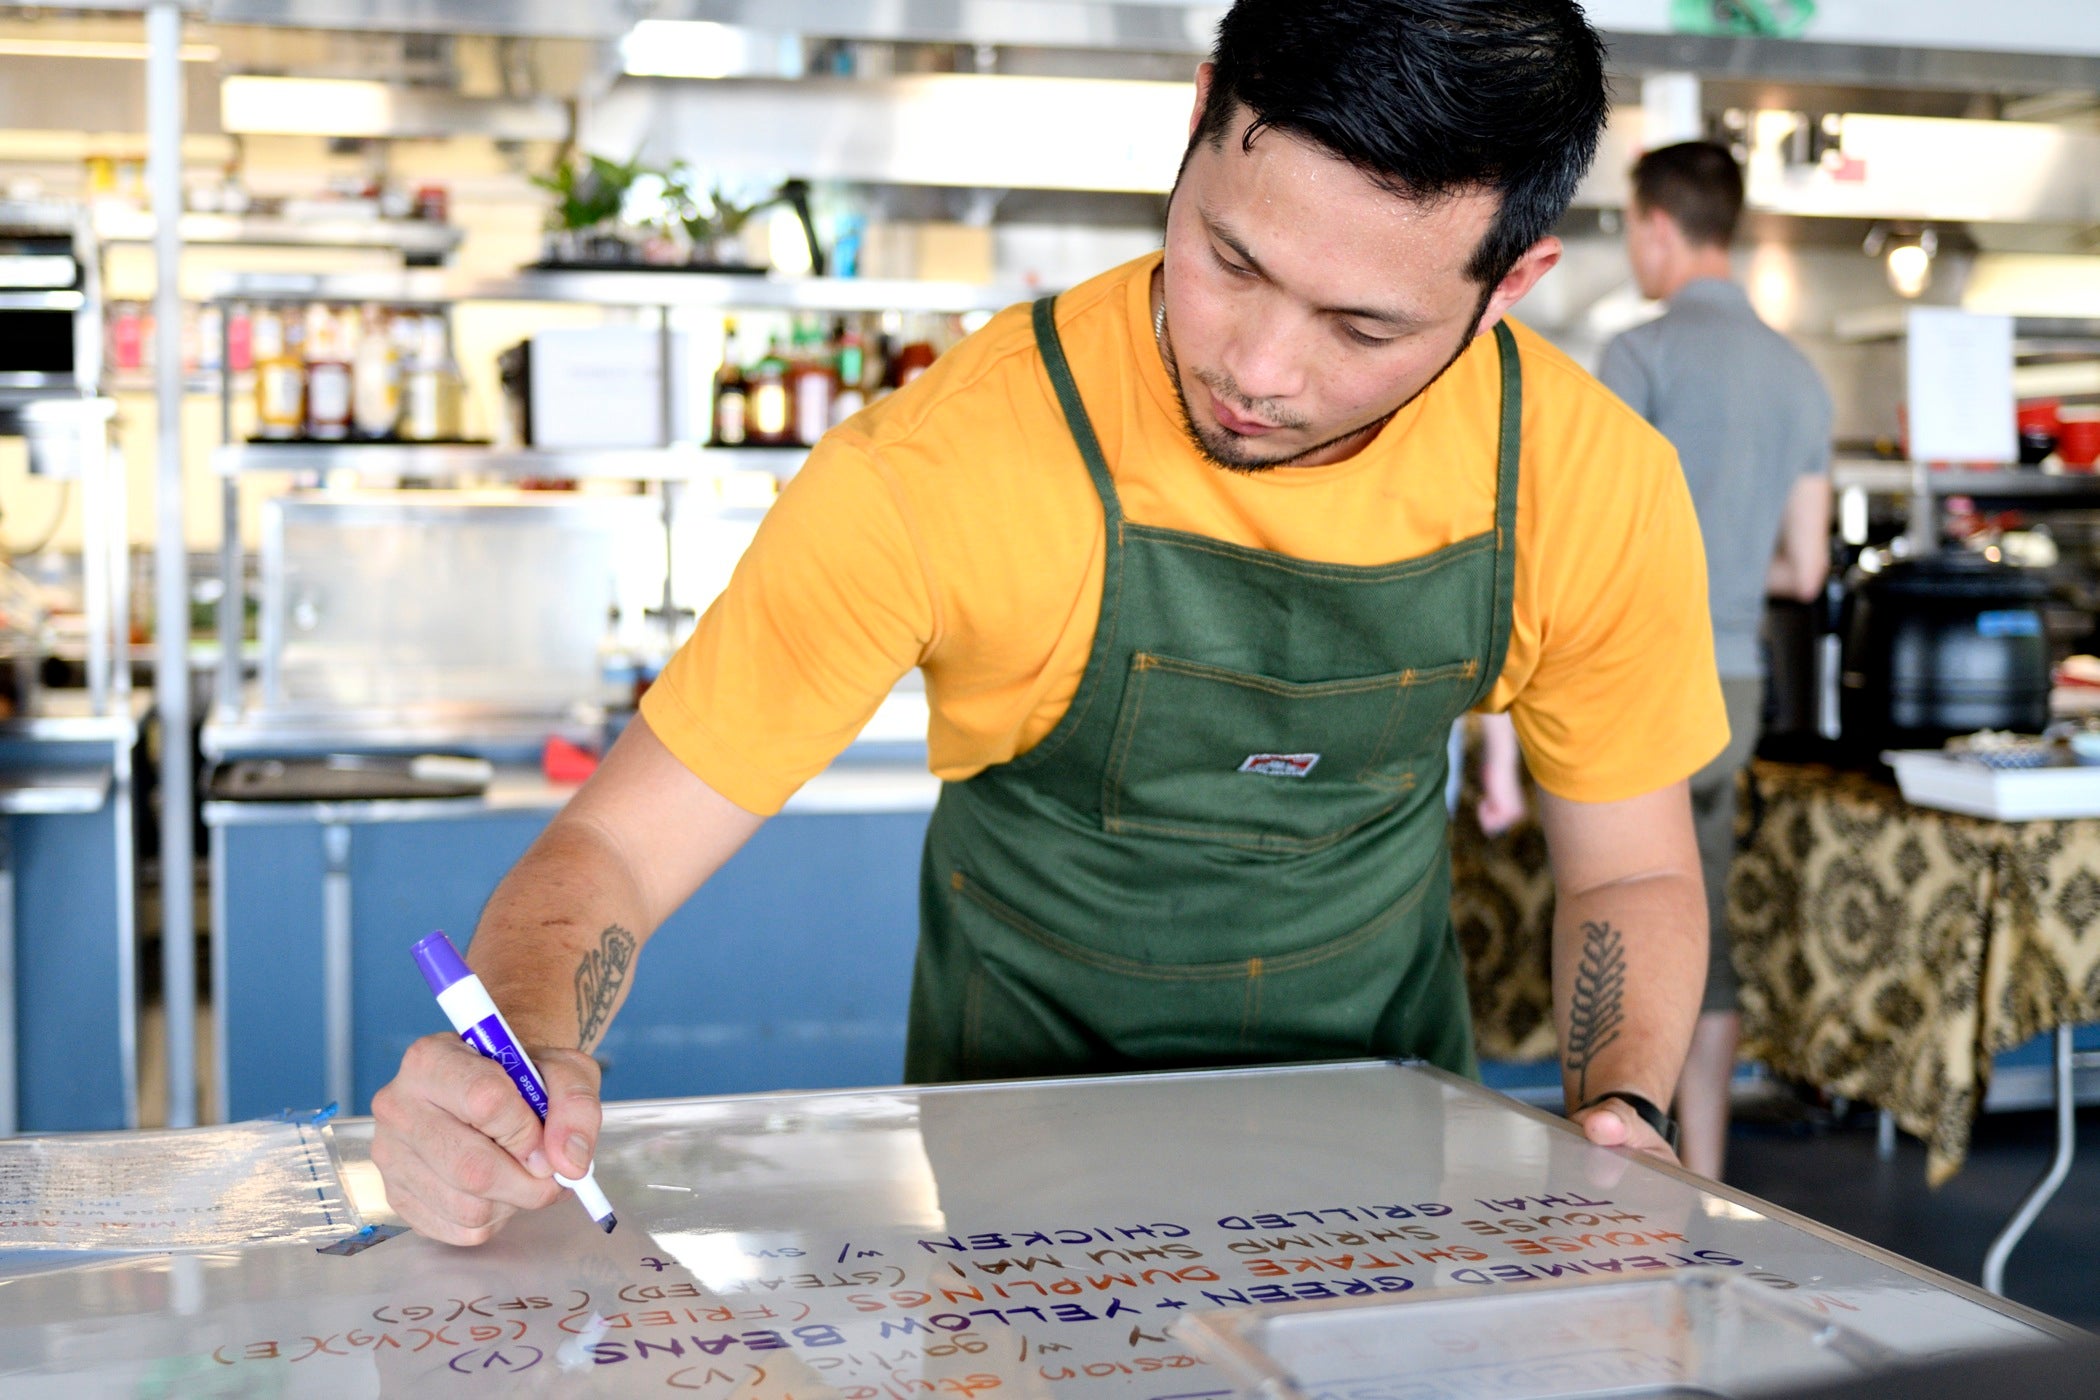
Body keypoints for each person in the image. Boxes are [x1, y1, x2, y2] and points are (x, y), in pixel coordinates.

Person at [372, 0, 1730, 1246]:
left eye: (1361, 327)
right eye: (1229, 258)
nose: (1258, 367)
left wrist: (1627, 1113)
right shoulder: (944, 468)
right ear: (1200, 112)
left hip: (1383, 1191)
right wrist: (519, 1053)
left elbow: (1630, 873)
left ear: (1513, 283)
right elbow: (615, 843)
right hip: (1017, 1197)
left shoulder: (1582, 481)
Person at [1598, 141, 1833, 1180]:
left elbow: (1593, 540)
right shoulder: (1800, 374)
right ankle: (1706, 1174)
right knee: (1708, 909)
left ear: (1658, 224)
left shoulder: (1637, 353)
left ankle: (1620, 1154)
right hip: (1735, 675)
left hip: (1641, 668)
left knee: (1619, 896)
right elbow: (1808, 565)